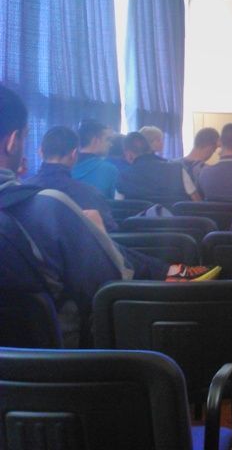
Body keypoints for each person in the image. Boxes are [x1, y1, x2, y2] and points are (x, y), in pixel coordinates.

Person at [0, 86, 219, 347]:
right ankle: (172, 272)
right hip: (55, 362)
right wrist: (94, 234)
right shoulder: (47, 208)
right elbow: (114, 278)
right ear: (13, 141)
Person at [26, 125, 117, 232]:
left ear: (40, 152)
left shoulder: (22, 190)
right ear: (74, 154)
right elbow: (108, 232)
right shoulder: (90, 194)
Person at [115, 132, 201, 204]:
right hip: (176, 219)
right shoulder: (177, 169)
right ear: (149, 148)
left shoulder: (123, 176)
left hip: (139, 219)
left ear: (128, 154)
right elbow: (197, 202)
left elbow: (119, 207)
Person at [72, 118, 118, 199]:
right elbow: (116, 203)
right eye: (107, 139)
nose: (111, 144)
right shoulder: (110, 170)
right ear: (95, 140)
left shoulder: (66, 167)